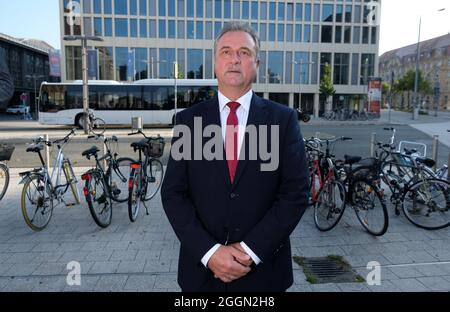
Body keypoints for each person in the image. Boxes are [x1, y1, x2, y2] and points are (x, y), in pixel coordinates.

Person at [161, 22, 309, 292]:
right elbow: (173, 194)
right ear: (215, 63)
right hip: (202, 275)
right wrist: (210, 252)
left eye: (244, 52)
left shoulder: (283, 120)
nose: (234, 59)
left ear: (257, 63)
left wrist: (249, 251)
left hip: (265, 275)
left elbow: (296, 193)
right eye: (226, 51)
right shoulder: (187, 121)